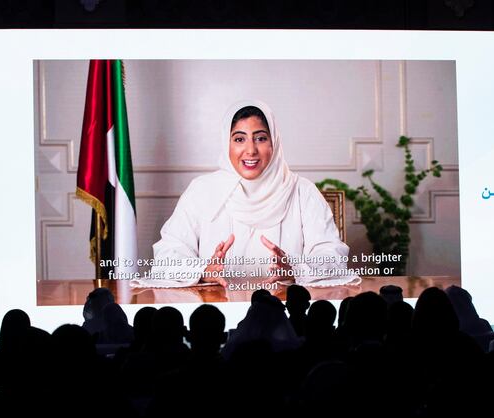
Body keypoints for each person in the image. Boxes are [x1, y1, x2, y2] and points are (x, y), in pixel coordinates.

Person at [137, 100, 358, 288]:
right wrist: (203, 270)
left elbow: (333, 256)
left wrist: (295, 269)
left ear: (275, 143)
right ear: (227, 144)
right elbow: (166, 256)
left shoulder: (302, 191)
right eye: (239, 139)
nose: (250, 150)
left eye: (261, 138)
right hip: (216, 313)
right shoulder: (202, 191)